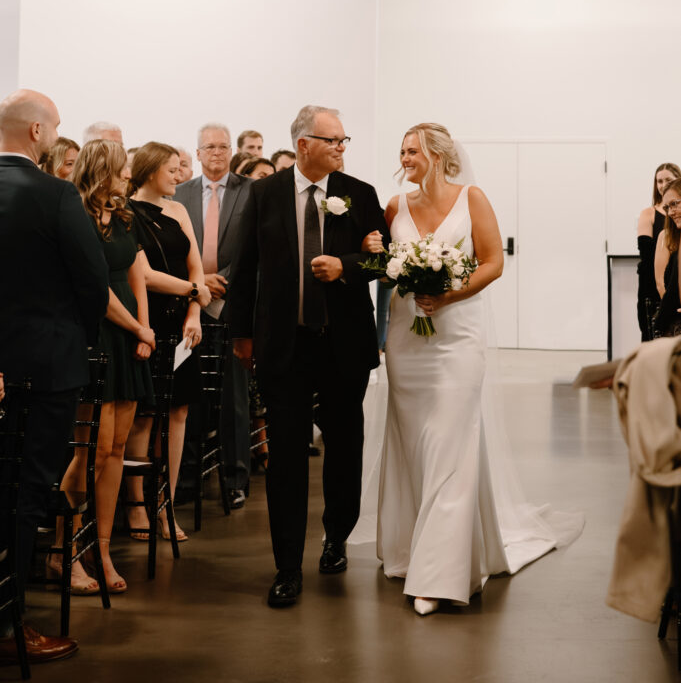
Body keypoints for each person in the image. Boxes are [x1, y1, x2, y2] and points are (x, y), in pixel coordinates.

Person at [365, 123, 582, 616]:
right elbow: (381, 266)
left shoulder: (472, 198)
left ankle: (440, 575)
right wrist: (380, 256)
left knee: (451, 443)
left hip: (457, 337)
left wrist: (449, 293)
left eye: (412, 150)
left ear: (438, 155)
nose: (405, 158)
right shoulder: (396, 206)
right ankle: (410, 549)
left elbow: (492, 262)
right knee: (414, 442)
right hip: (407, 339)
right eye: (402, 151)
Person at [229, 104, 388, 608]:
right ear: (303, 145)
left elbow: (381, 259)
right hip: (285, 344)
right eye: (334, 140)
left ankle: (337, 536)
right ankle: (286, 566)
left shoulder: (358, 194)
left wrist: (345, 265)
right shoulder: (264, 193)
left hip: (343, 344)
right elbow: (244, 265)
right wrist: (240, 334)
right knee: (287, 458)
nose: (342, 148)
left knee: (344, 446)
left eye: (344, 141)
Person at [0, 89, 109, 663]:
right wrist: (75, 337)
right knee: (26, 490)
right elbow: (92, 282)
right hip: (44, 368)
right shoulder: (56, 195)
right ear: (39, 133)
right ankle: (10, 623)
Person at [68, 140, 155, 593]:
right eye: (123, 171)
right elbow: (95, 289)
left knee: (118, 448)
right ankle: (62, 553)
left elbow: (136, 270)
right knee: (92, 452)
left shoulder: (125, 214)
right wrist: (136, 330)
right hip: (97, 333)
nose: (128, 178)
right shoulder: (77, 217)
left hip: (128, 336)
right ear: (103, 171)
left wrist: (144, 324)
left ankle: (99, 550)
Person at [126, 142, 211, 541]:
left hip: (182, 324)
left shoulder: (178, 211)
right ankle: (136, 506)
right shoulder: (128, 211)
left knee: (178, 413)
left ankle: (166, 504)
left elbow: (195, 263)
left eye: (180, 169)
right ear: (149, 171)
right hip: (148, 320)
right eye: (172, 169)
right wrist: (195, 290)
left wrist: (194, 312)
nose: (179, 176)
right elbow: (143, 275)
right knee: (144, 415)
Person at [175, 123, 253, 510]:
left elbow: (256, 248)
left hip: (234, 303)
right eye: (210, 147)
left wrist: (224, 280)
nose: (218, 153)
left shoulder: (249, 191)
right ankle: (187, 476)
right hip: (190, 304)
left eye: (224, 146)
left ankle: (236, 477)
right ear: (199, 152)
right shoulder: (180, 193)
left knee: (235, 397)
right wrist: (199, 281)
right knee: (188, 395)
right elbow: (173, 250)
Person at [637, 163, 680, 340]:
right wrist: (668, 309)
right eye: (659, 181)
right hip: (656, 293)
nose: (662, 185)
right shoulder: (666, 232)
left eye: (667, 180)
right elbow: (659, 280)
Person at [652, 177, 681, 337]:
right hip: (672, 321)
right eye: (667, 207)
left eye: (674, 204)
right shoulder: (668, 236)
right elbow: (661, 283)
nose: (670, 212)